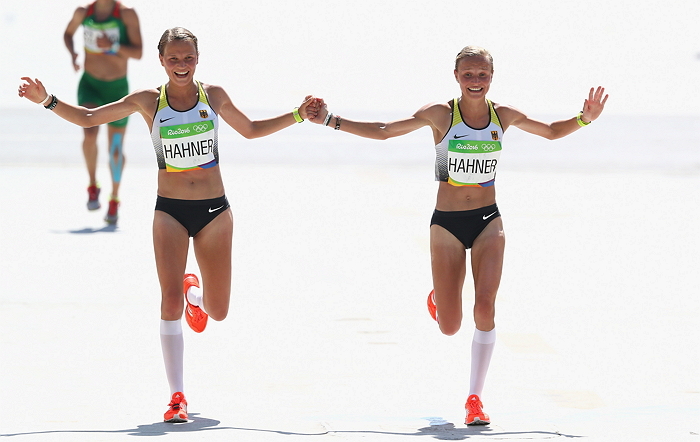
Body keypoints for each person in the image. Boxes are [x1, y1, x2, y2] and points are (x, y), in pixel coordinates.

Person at [19, 27, 321, 423]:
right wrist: (47, 100)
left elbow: (251, 130)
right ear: (161, 61)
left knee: (219, 310)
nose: (181, 65)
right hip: (170, 212)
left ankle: (194, 294)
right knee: (168, 302)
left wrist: (299, 114)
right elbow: (90, 117)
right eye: (174, 59)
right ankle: (177, 396)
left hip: (214, 212)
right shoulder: (148, 101)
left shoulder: (213, 96)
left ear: (198, 59)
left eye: (188, 58)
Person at [309, 46, 608, 426]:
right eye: (468, 74)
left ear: (492, 77)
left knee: (485, 308)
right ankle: (439, 296)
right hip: (447, 225)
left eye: (482, 75)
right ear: (456, 76)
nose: (475, 81)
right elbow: (385, 132)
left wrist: (585, 118)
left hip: (488, 221)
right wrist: (330, 120)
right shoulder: (440, 115)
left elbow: (550, 132)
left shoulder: (505, 115)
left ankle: (474, 399)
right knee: (450, 325)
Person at [64, 0, 143, 224]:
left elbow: (138, 53)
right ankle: (92, 184)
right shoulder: (83, 12)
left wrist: (112, 45)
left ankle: (114, 198)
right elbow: (67, 34)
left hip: (117, 88)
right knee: (89, 133)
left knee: (115, 148)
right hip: (90, 85)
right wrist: (73, 54)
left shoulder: (126, 15)